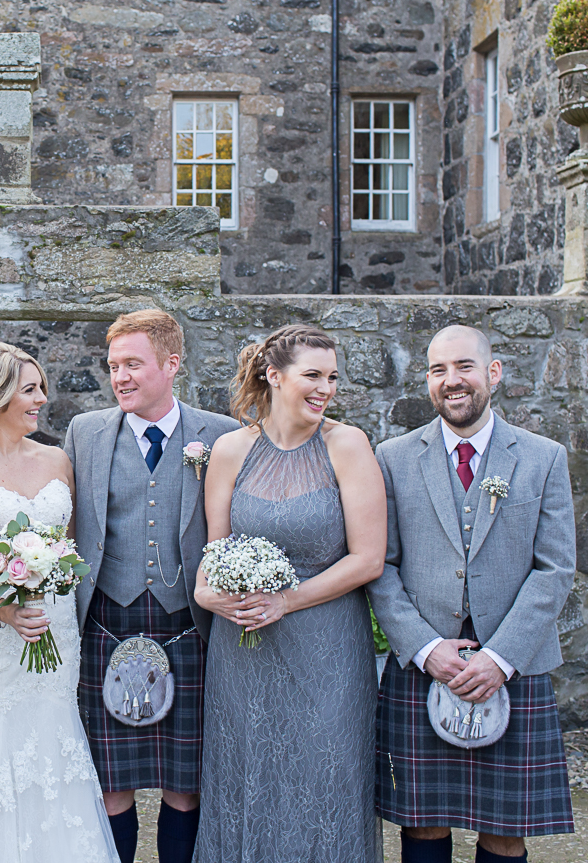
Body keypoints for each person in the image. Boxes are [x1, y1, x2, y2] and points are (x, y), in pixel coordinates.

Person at [369, 325, 576, 863]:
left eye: (463, 366)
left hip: (514, 666)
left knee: (505, 830)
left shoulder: (543, 457)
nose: (451, 381)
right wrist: (424, 647)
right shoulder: (391, 457)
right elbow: (379, 566)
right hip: (422, 666)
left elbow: (554, 570)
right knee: (422, 824)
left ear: (493, 372)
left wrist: (500, 658)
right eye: (438, 370)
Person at [192, 325, 386, 863]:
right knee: (245, 779)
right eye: (312, 376)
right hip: (243, 650)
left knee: (325, 779)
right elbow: (215, 551)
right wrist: (209, 595)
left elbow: (367, 558)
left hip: (326, 646)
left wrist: (287, 600)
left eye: (332, 378)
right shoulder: (230, 449)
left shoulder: (346, 444)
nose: (325, 389)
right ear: (273, 376)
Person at [0, 340, 119, 863]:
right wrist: (3, 609)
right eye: (30, 390)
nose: (41, 399)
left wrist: (41, 593)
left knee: (53, 733)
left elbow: (69, 551)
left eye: (40, 388)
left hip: (53, 631)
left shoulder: (58, 460)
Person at [64, 310, 239, 863]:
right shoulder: (85, 432)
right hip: (105, 619)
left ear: (171, 364)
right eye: (114, 366)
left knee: (183, 782)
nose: (120, 377)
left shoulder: (221, 433)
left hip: (188, 622)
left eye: (133, 364)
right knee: (110, 779)